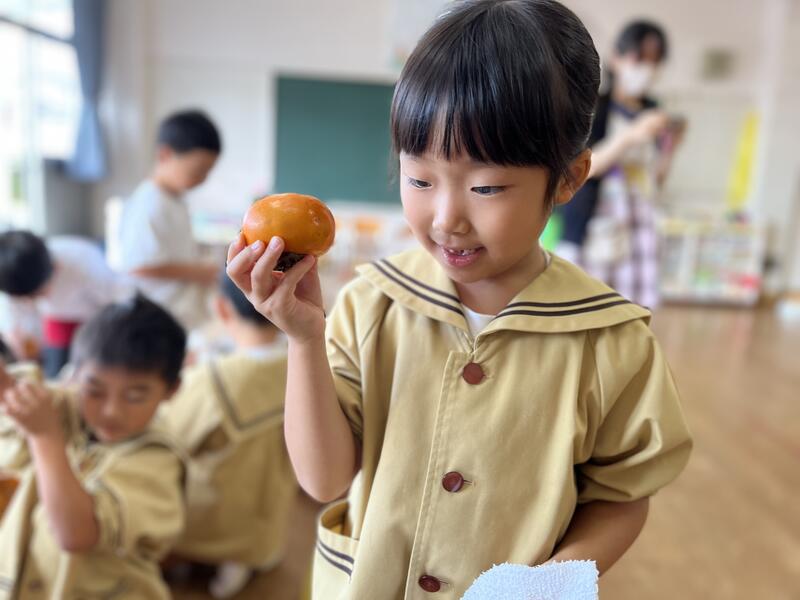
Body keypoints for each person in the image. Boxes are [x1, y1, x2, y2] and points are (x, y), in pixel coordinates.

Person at [226, 1, 692, 598]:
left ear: (570, 178)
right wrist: (303, 339)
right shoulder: (372, 305)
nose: (447, 218)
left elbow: (623, 498)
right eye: (420, 179)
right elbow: (324, 480)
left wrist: (546, 585)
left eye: (486, 187)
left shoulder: (611, 341)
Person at [0, 295, 187, 599]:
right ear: (74, 375)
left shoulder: (158, 461)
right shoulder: (71, 406)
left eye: (135, 396)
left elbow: (76, 534)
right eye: (95, 391)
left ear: (171, 390)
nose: (111, 411)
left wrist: (45, 438)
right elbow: (16, 395)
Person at [162, 272, 296, 599]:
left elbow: (172, 439)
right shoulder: (301, 366)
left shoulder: (210, 379)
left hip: (214, 515)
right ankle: (244, 562)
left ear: (222, 309)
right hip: (269, 514)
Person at [557, 20, 685, 308]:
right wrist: (631, 135)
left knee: (632, 308)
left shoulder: (654, 111)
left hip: (640, 222)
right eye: (639, 58)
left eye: (655, 61)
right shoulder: (593, 107)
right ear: (617, 57)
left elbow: (656, 180)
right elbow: (581, 168)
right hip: (594, 223)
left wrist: (670, 150)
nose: (646, 68)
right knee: (582, 305)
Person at [114, 109, 222, 329]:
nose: (203, 179)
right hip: (156, 313)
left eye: (208, 172)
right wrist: (199, 272)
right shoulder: (150, 203)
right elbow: (139, 265)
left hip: (176, 311)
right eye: (198, 170)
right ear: (164, 155)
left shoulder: (174, 199)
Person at [0, 230, 132, 378]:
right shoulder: (11, 277)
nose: (44, 297)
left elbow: (119, 308)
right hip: (57, 320)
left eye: (41, 292)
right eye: (34, 296)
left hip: (99, 318)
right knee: (54, 374)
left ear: (56, 266)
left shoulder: (87, 264)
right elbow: (18, 329)